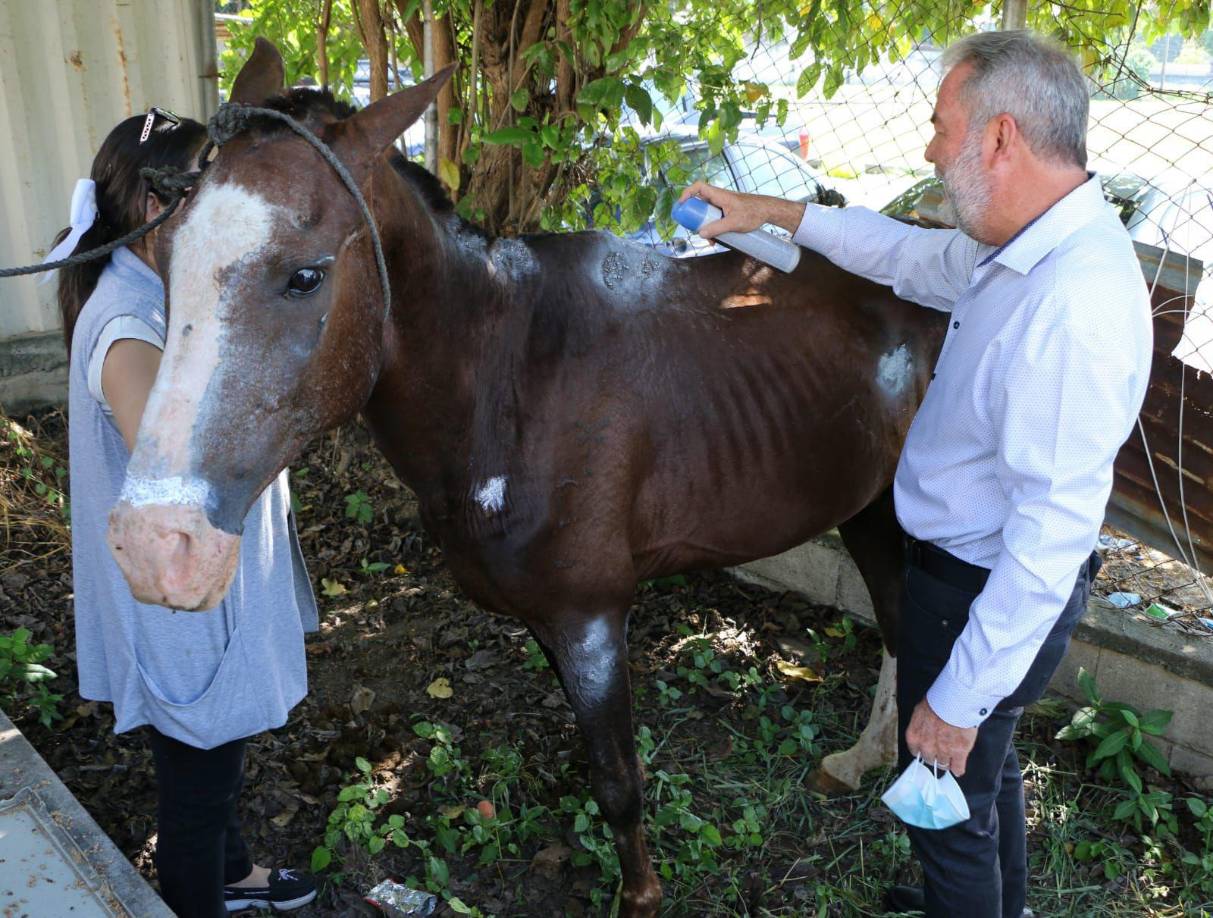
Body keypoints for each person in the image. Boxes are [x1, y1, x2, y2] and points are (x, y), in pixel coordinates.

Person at [681, 29, 1153, 917]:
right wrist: (770, 211)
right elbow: (903, 254)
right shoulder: (1028, 247)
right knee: (979, 775)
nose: (929, 149)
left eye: (941, 127)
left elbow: (1049, 540)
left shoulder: (1072, 303)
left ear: (999, 137)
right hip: (963, 578)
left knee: (944, 805)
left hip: (983, 590)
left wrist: (959, 696)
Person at [55, 108, 320, 916]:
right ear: (149, 206)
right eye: (207, 189)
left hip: (203, 594)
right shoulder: (129, 326)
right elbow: (170, 465)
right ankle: (203, 893)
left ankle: (234, 876)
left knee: (216, 760)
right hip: (184, 606)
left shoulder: (156, 286)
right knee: (196, 796)